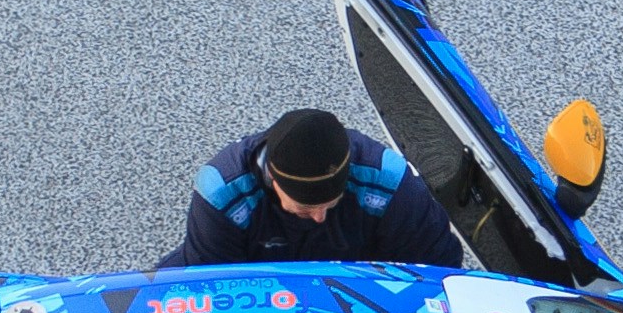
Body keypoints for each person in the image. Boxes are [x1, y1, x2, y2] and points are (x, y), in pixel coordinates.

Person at [158, 107, 465, 270]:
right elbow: (209, 290)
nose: (320, 217)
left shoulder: (390, 184)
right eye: (306, 208)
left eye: (331, 204)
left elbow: (436, 269)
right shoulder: (223, 194)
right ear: (272, 181)